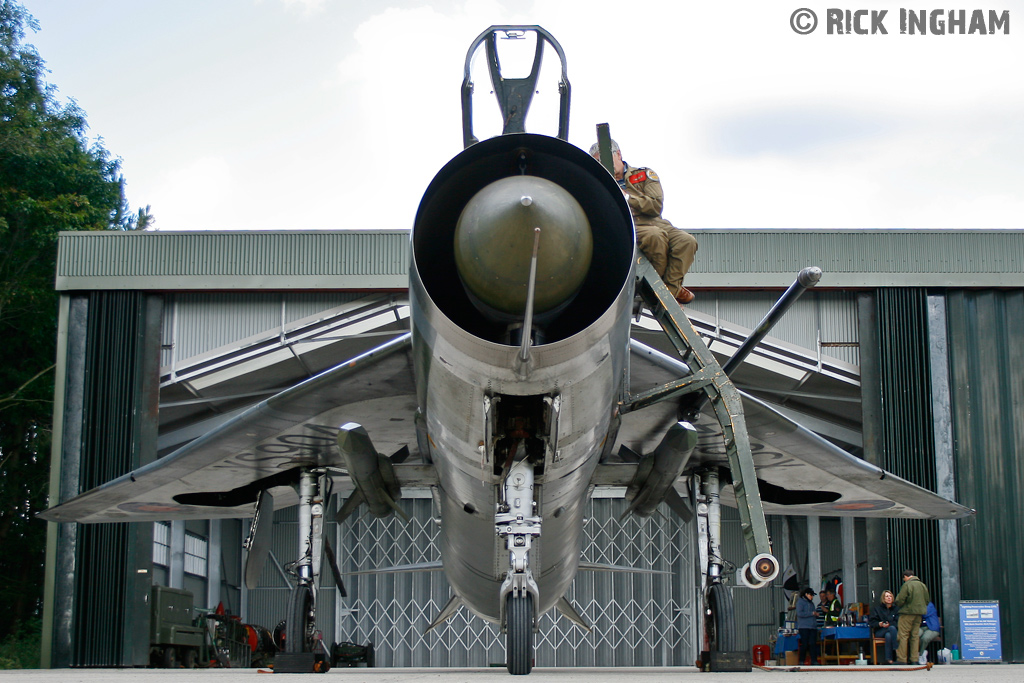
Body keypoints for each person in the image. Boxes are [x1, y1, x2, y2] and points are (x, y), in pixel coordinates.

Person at [589, 139, 698, 304]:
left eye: (607, 160)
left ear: (619, 154)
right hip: (630, 225)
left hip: (657, 222)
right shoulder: (597, 183)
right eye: (599, 162)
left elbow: (655, 205)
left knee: (687, 241)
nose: (605, 165)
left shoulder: (643, 175)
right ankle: (661, 288)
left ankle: (670, 290)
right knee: (655, 237)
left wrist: (627, 198)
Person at [894, 569, 930, 665]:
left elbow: (900, 599)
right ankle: (914, 659)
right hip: (919, 613)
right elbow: (927, 600)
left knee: (903, 635)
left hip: (907, 613)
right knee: (915, 636)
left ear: (905, 576)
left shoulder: (907, 585)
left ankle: (902, 659)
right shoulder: (922, 585)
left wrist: (898, 604)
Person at [869, 589, 900, 664]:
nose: (889, 598)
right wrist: (880, 624)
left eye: (890, 596)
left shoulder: (896, 609)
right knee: (891, 630)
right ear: (883, 598)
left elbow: (898, 622)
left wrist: (890, 624)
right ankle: (898, 651)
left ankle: (889, 660)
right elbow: (872, 622)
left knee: (888, 635)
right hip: (880, 631)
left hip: (892, 630)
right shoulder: (877, 609)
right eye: (887, 596)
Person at [795, 587, 820, 665]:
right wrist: (811, 614)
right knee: (804, 644)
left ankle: (814, 660)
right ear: (806, 594)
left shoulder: (811, 603)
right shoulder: (800, 602)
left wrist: (815, 615)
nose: (812, 597)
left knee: (813, 644)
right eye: (811, 595)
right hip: (804, 627)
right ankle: (801, 661)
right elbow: (799, 614)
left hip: (812, 627)